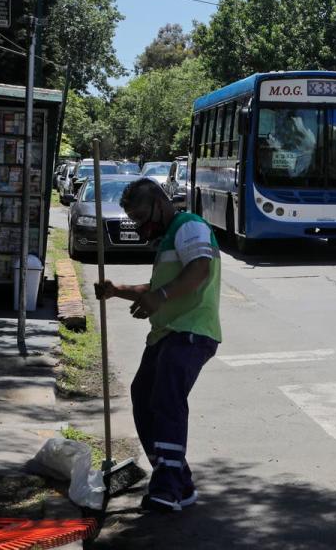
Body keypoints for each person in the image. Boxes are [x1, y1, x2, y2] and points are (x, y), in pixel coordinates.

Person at [94, 178, 221, 513]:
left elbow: (200, 269)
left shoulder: (188, 226)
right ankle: (180, 482)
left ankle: (166, 488)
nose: (139, 226)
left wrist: (160, 297)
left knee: (166, 399)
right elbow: (156, 287)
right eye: (133, 220)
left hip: (191, 331)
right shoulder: (169, 237)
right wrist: (116, 289)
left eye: (140, 217)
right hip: (168, 333)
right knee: (144, 396)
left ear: (160, 204)